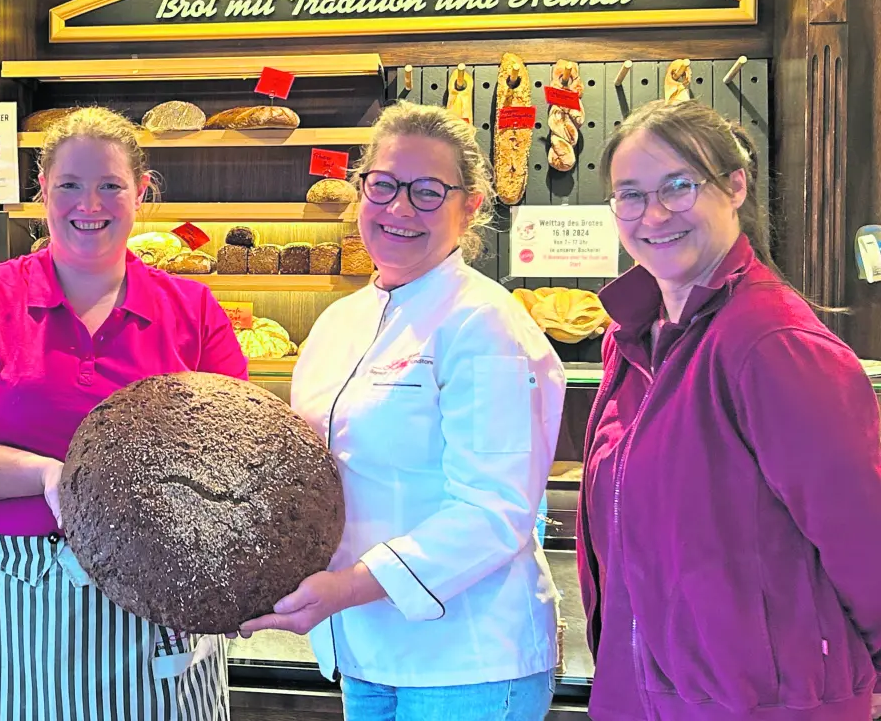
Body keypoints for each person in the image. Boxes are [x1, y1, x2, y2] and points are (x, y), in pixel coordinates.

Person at [0, 106, 247, 721]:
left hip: (152, 602)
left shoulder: (192, 309)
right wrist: (50, 476)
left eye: (110, 185)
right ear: (42, 193)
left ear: (142, 193)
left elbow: (233, 464)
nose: (89, 203)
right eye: (69, 185)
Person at [241, 100, 566, 721]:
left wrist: (347, 588)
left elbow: (493, 512)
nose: (398, 209)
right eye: (383, 185)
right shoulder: (339, 323)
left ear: (470, 206)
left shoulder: (485, 323)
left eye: (427, 192)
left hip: (467, 659)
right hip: (362, 648)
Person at [578, 99, 881, 721]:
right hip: (639, 693)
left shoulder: (772, 344)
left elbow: (864, 536)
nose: (653, 214)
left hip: (762, 703)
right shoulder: (633, 336)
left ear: (735, 185)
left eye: (679, 187)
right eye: (629, 195)